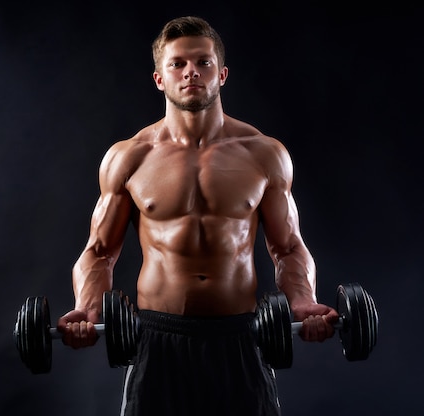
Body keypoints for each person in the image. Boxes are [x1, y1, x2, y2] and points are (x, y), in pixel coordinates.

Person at [57, 15, 340, 416]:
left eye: (203, 62)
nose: (192, 72)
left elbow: (289, 247)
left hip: (239, 338)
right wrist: (87, 307)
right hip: (157, 340)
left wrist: (304, 301)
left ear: (221, 74)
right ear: (160, 79)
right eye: (177, 64)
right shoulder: (129, 158)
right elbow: (99, 251)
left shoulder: (264, 154)